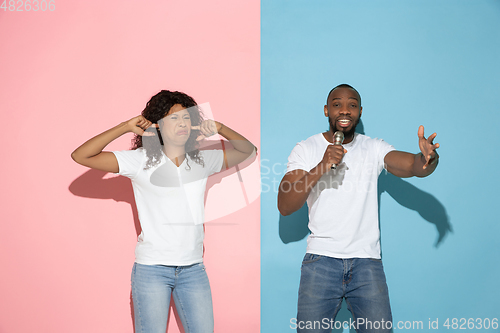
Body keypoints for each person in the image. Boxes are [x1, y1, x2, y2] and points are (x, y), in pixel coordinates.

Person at [71, 90, 256, 333]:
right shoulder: (139, 161)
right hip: (151, 271)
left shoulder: (201, 160)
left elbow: (248, 151)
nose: (182, 123)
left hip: (193, 270)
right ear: (157, 125)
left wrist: (220, 128)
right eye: (173, 118)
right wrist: (125, 126)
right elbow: (81, 155)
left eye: (187, 118)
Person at [277, 84, 439, 333]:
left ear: (360, 112)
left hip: (367, 263)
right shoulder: (306, 148)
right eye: (337, 104)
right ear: (326, 110)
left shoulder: (373, 147)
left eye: (352, 105)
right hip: (321, 261)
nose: (345, 110)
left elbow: (411, 166)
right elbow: (285, 205)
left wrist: (427, 159)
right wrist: (321, 165)